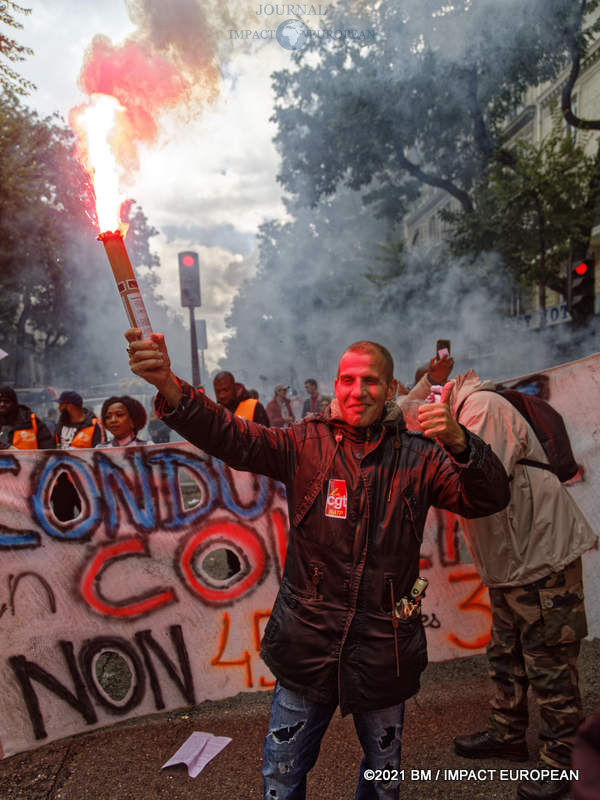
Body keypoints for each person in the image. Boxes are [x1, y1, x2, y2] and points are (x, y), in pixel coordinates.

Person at [125, 329, 511, 800]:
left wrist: (461, 442)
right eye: (347, 379)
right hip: (306, 647)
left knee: (383, 776)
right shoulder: (305, 443)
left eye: (370, 381)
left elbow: (489, 497)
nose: (357, 391)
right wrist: (168, 383)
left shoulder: (421, 455)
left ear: (391, 390)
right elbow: (231, 437)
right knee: (282, 775)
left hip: (384, 650)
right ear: (335, 384)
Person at [445, 371, 597, 800]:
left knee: (550, 663)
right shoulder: (466, 412)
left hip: (540, 553)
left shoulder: (482, 409)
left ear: (445, 396)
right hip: (514, 557)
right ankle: (507, 734)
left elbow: (482, 480)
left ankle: (564, 759)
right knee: (507, 654)